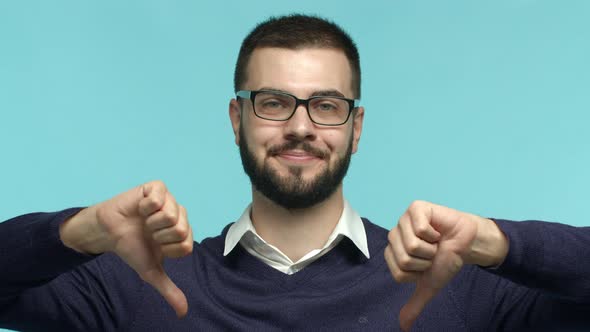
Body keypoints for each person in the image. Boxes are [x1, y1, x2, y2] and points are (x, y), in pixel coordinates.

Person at [1, 14, 589, 332]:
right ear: (237, 119)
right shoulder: (140, 284)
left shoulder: (450, 282)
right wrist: (71, 232)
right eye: (274, 101)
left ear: (356, 128)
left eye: (327, 105)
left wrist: (499, 241)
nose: (301, 127)